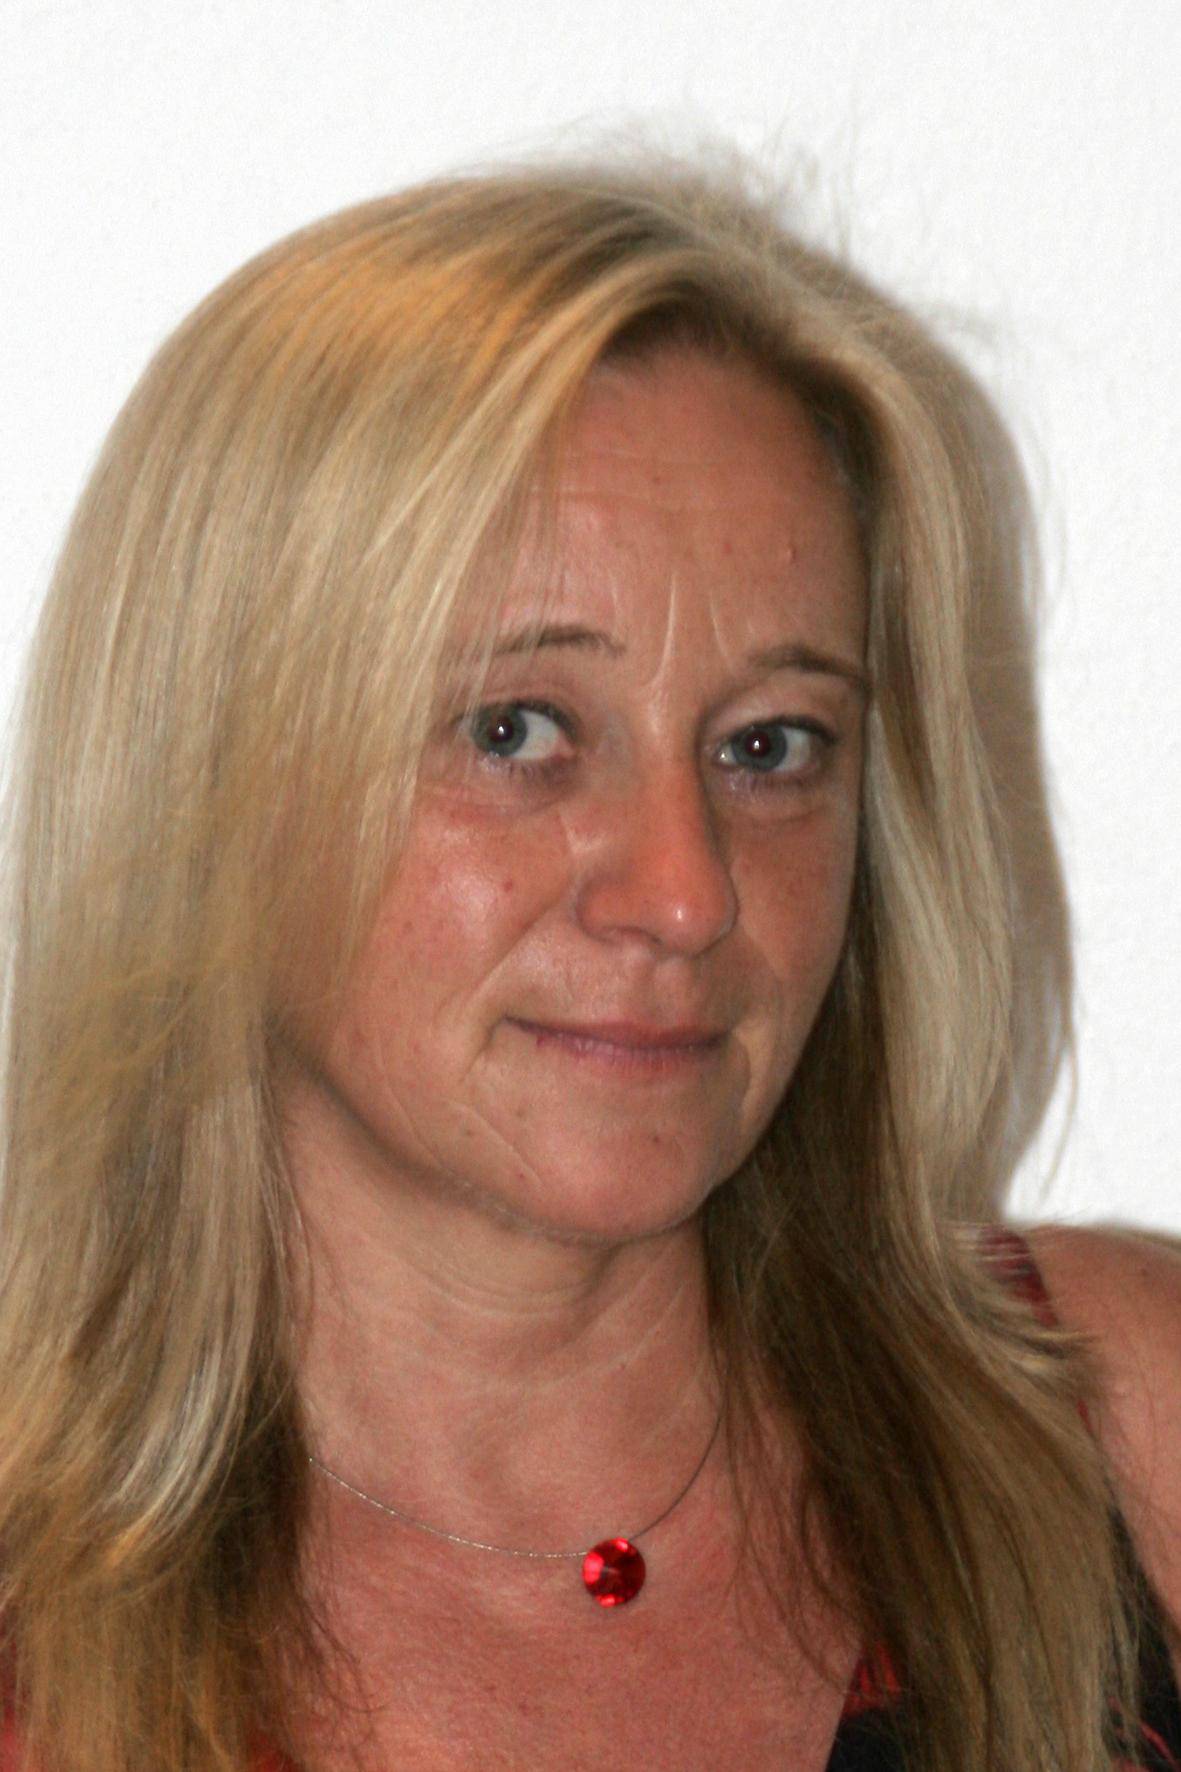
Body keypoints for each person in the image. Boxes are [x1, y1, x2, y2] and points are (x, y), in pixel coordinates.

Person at [0, 152, 1178, 1772]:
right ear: (205, 774)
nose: (683, 896)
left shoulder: (1117, 1436)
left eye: (769, 744)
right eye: (516, 730)